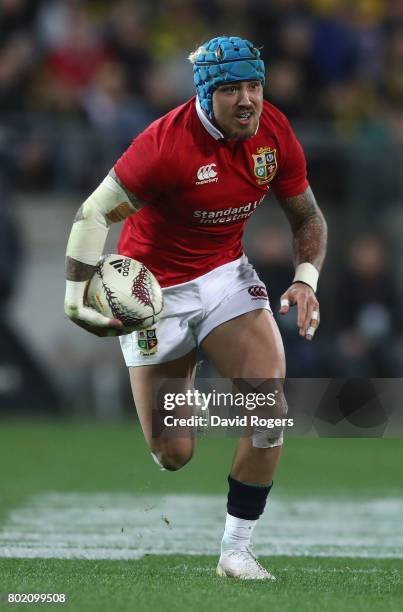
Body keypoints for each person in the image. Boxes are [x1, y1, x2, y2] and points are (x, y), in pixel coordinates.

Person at [64, 36, 327, 579]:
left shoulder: (272, 131)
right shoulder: (164, 144)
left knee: (268, 410)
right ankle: (194, 398)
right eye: (231, 89)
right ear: (206, 96)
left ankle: (235, 550)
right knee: (172, 454)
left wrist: (306, 280)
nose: (247, 100)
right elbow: (92, 215)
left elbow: (308, 217)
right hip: (153, 295)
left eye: (254, 85)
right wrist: (75, 299)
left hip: (226, 277)